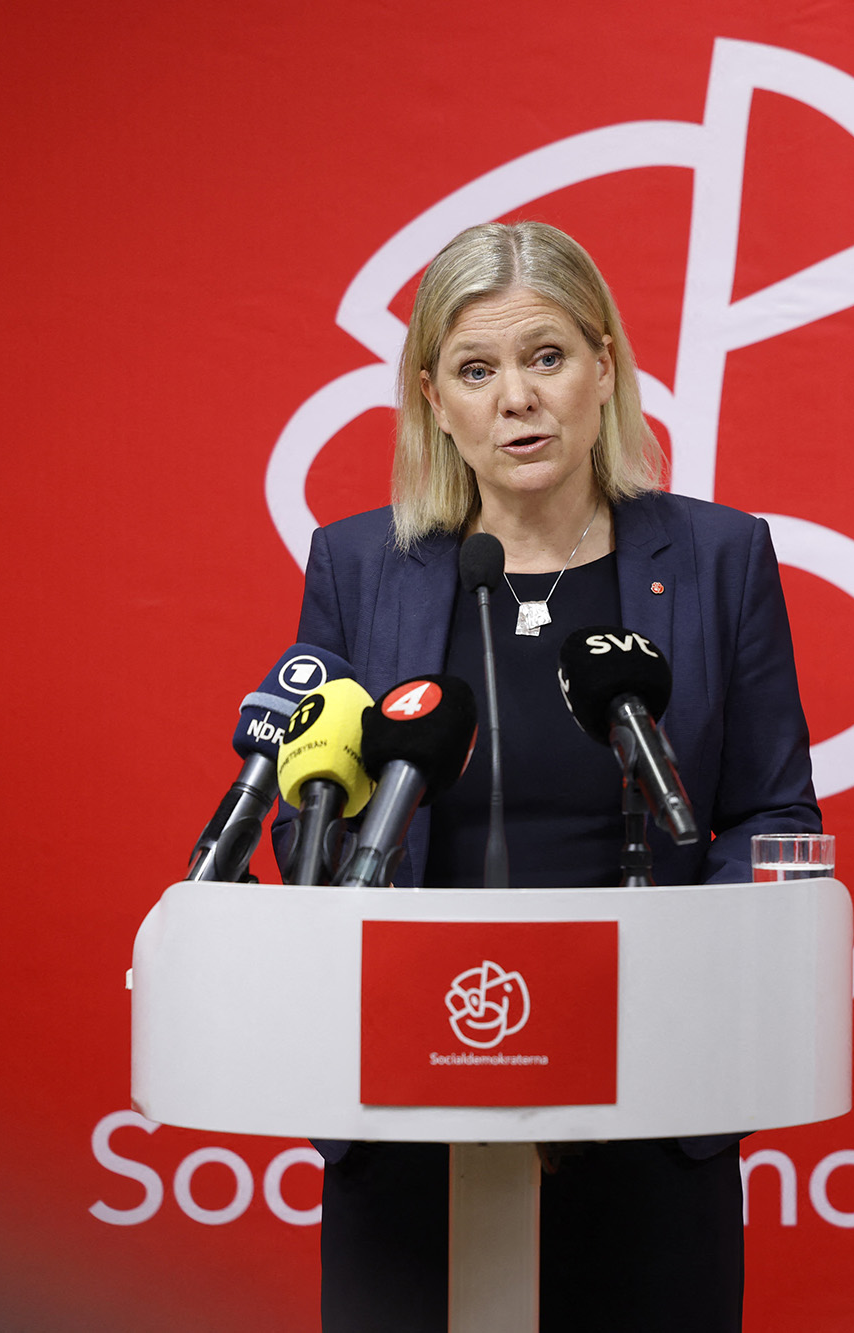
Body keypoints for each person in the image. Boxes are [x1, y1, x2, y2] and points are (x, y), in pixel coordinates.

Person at [276, 220, 821, 1331]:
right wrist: (321, 845)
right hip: (407, 1096)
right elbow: (308, 816)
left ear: (604, 368)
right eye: (476, 371)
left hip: (653, 1095)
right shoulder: (358, 568)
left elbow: (775, 813)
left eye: (546, 357)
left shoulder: (717, 559)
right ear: (434, 400)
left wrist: (680, 973)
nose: (515, 399)